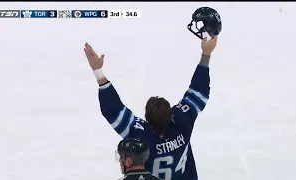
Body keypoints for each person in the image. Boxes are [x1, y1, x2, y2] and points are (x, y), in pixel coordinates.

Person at [84, 7, 221, 180]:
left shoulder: (141, 135)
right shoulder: (182, 121)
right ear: (171, 114)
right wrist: (206, 54)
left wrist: (98, 72)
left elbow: (113, 111)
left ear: (147, 119)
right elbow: (198, 92)